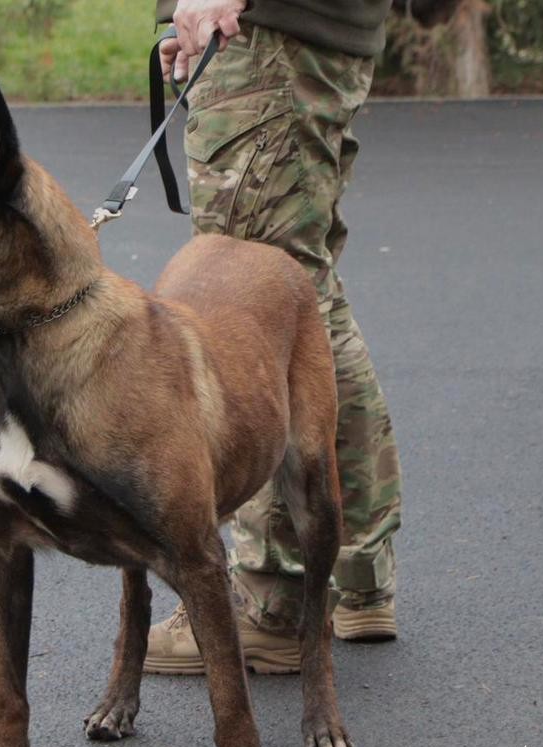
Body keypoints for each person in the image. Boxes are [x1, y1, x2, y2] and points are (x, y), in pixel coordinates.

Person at [144, 0, 403, 675]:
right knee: (302, 301)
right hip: (294, 33)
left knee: (252, 309)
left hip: (273, 38)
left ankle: (272, 600)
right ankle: (352, 569)